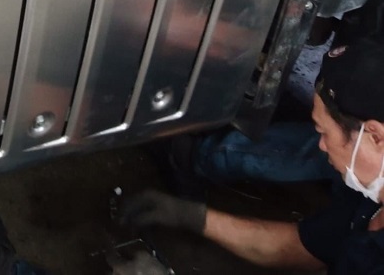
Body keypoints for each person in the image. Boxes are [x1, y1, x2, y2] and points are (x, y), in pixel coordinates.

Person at [121, 37, 384, 273]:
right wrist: (191, 217)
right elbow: (302, 248)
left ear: (375, 136)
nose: (321, 146)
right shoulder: (368, 202)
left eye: (323, 132)